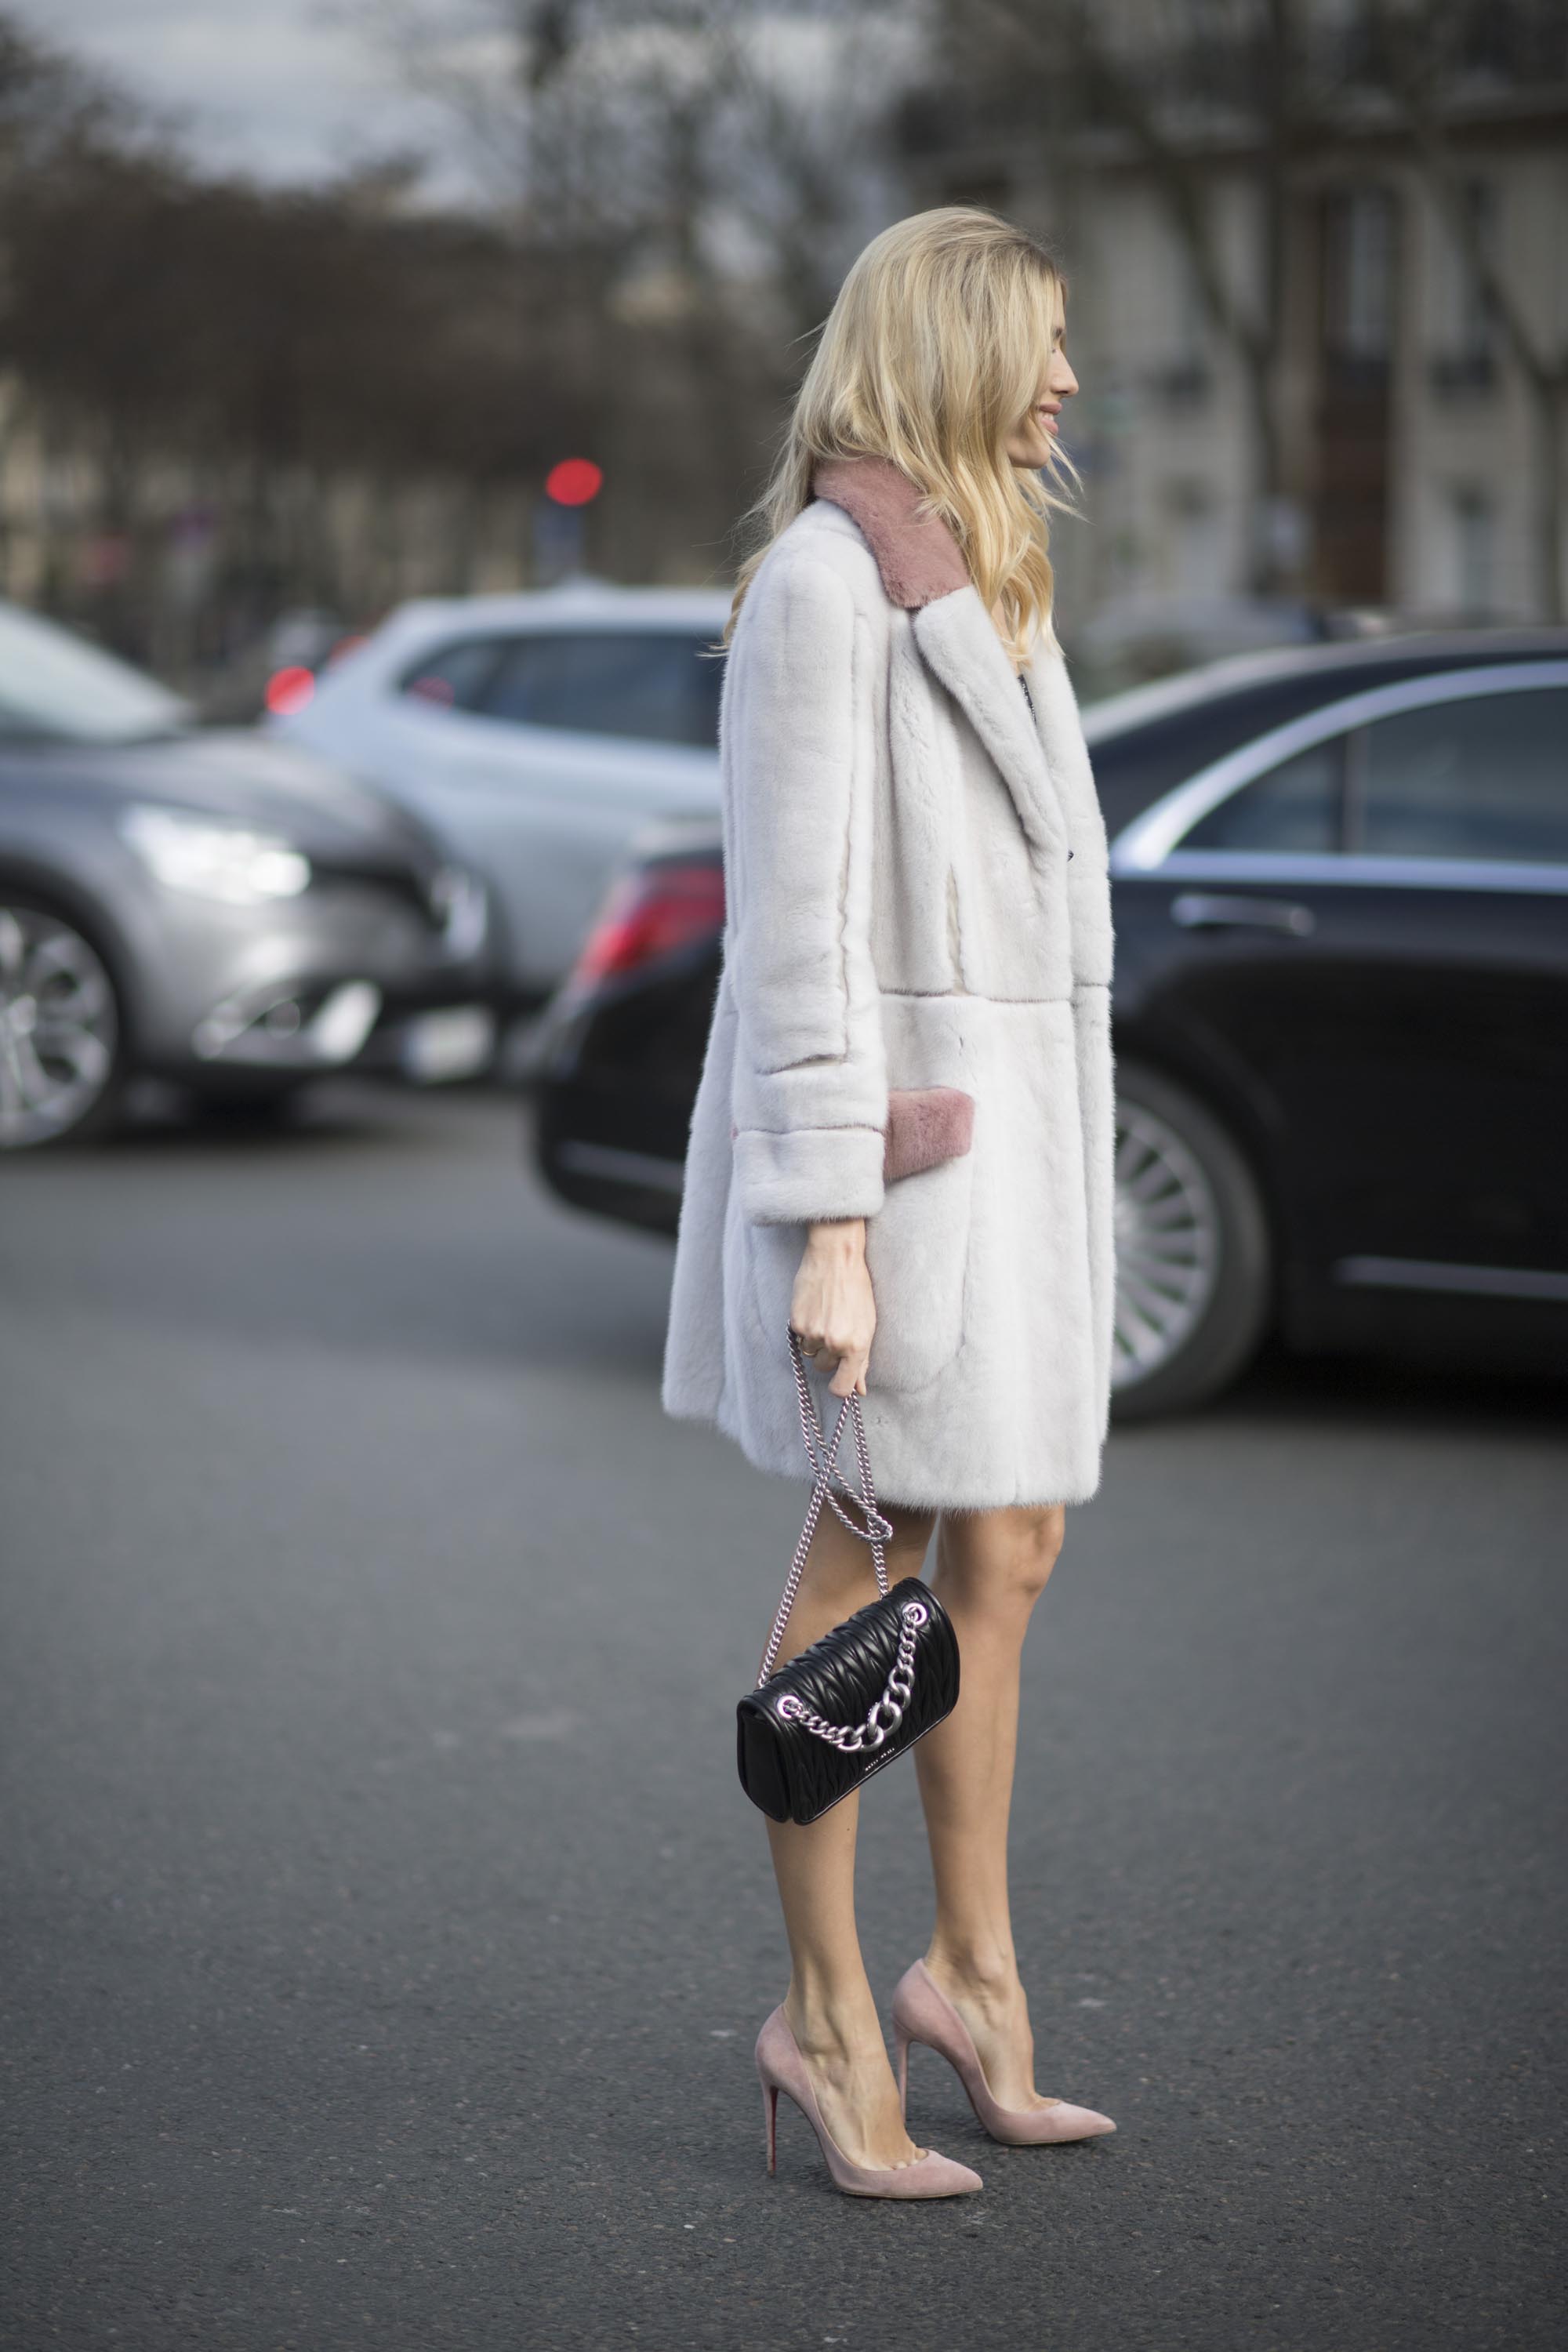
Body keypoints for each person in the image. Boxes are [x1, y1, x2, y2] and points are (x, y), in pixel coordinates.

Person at [662, 208, 1117, 2199]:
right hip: (898, 1167)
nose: (1069, 381)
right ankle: (829, 2019)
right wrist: (829, 1221)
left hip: (1009, 1158)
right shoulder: (826, 591)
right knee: (876, 1548)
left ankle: (977, 1980)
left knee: (1008, 1547)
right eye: (1038, 343)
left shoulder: (989, 586)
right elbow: (792, 935)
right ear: (940, 350)